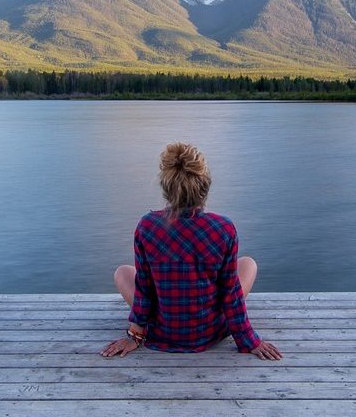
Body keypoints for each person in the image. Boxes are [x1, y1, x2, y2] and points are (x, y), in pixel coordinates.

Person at [101, 143, 282, 360]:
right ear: (205, 186)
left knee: (123, 272)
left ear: (166, 187)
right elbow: (230, 292)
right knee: (248, 264)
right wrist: (249, 341)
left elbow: (144, 288)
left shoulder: (147, 226)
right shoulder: (223, 228)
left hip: (163, 331)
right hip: (209, 332)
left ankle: (154, 325)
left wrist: (134, 336)